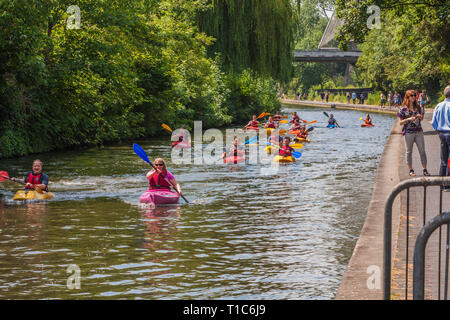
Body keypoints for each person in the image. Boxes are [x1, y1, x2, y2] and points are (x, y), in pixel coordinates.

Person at [398, 90, 430, 177]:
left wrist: (420, 117)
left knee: (422, 151)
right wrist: (408, 119)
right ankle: (411, 170)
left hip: (418, 131)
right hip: (408, 133)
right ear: (407, 97)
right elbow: (400, 123)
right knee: (409, 152)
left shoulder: (418, 107)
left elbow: (421, 119)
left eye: (415, 95)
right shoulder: (403, 109)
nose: (414, 97)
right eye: (412, 95)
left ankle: (425, 169)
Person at [431, 85, 450, 186]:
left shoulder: (439, 105)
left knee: (443, 159)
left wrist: (438, 131)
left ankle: (441, 183)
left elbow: (434, 121)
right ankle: (448, 182)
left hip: (442, 133)